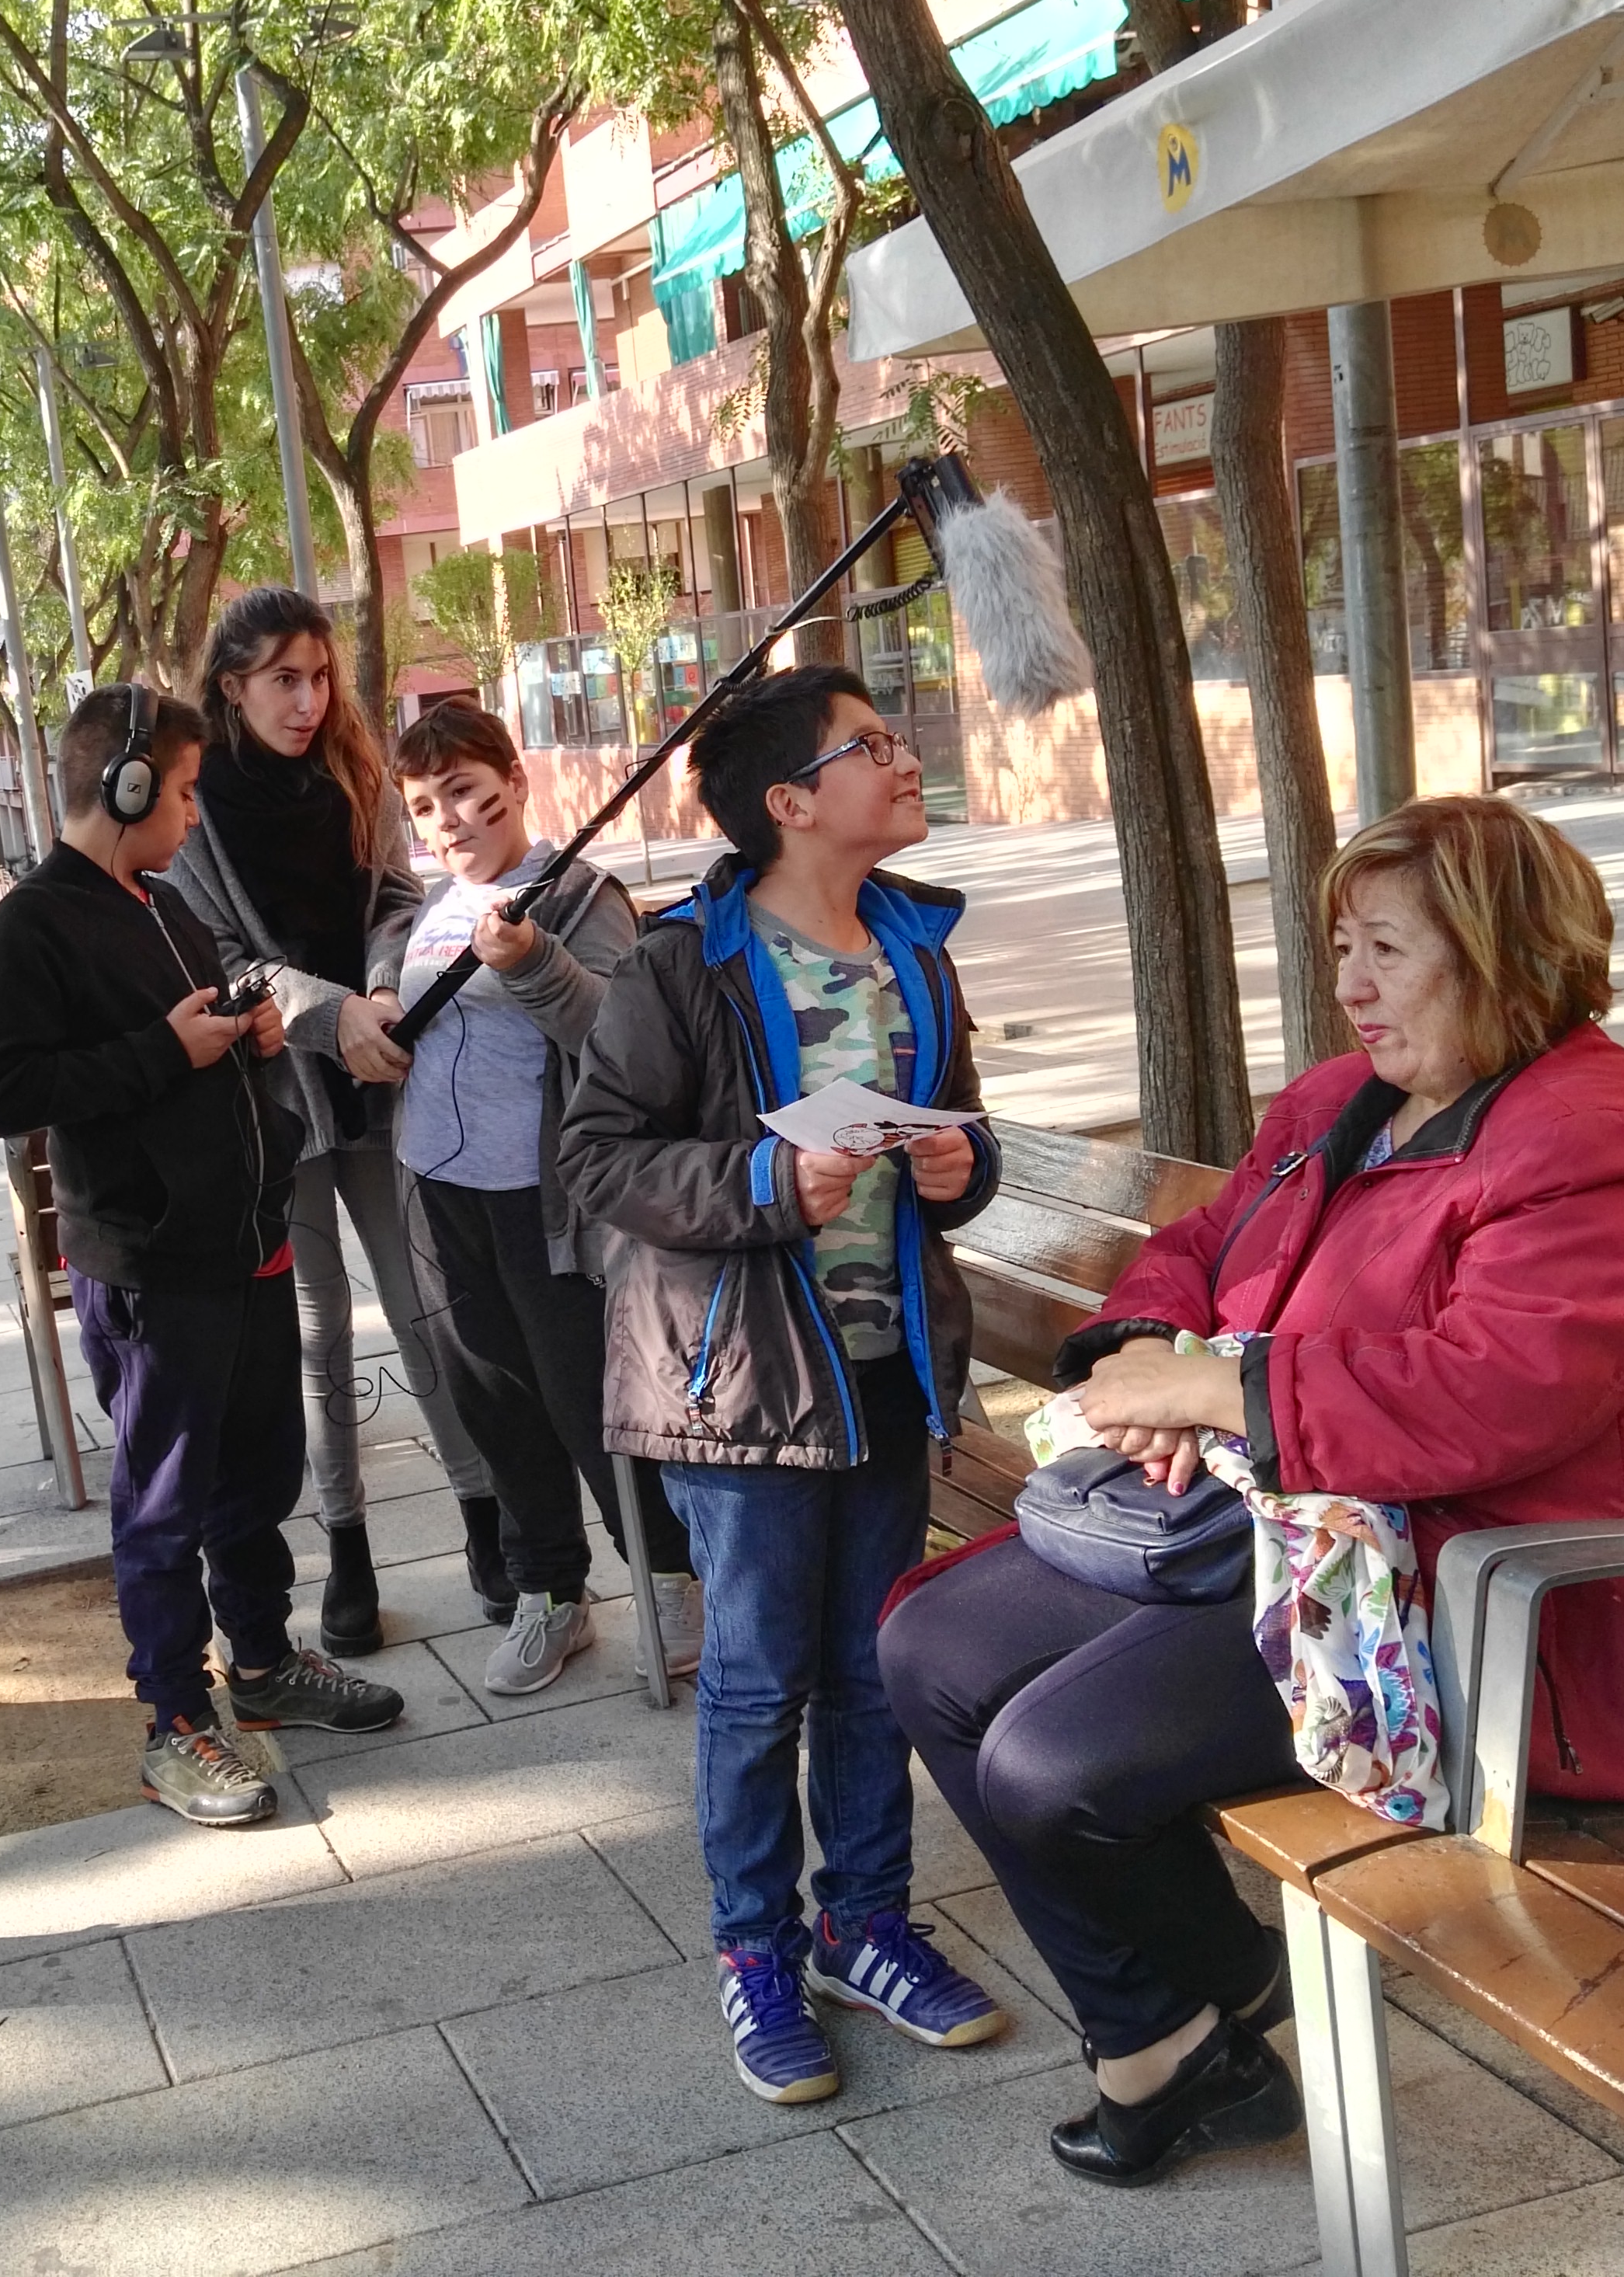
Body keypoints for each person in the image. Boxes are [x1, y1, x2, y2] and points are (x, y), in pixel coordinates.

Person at [879, 793, 1624, 2187]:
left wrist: (1219, 1393)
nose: (1348, 983)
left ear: (1501, 951)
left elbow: (1490, 1393)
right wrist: (1152, 1357)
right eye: (1342, 945)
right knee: (927, 1646)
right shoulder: (1344, 1103)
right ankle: (1174, 2033)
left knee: (1051, 1766)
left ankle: (1199, 2013)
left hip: (1471, 1602)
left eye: (1386, 950)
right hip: (1305, 1531)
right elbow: (1203, 1246)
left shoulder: (1593, 1144)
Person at [560, 662, 1010, 2112]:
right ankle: (754, 1948)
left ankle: (864, 1924)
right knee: (757, 1684)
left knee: (872, 1669)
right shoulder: (682, 963)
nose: (905, 756)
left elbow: (960, 1128)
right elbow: (598, 1159)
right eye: (870, 744)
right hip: (742, 1383)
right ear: (791, 803)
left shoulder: (912, 946)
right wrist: (762, 1180)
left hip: (887, 1366)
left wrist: (963, 1163)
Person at [0, 683, 405, 1830]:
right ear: (123, 788)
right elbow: (6, 1093)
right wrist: (164, 1051)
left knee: (256, 1479)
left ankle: (260, 1664)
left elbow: (195, 1047)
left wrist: (247, 1039)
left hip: (246, 1238)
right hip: (152, 1263)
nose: (193, 813)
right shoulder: (32, 923)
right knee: (163, 1502)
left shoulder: (164, 904)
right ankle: (173, 1717)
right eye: (180, 792)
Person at [162, 587, 497, 1654]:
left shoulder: (354, 769)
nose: (307, 701)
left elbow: (398, 897)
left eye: (318, 677)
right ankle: (347, 1545)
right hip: (277, 1097)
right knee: (318, 1331)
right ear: (232, 686)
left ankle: (483, 1516)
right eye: (282, 680)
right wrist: (328, 1014)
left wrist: (383, 991)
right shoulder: (196, 800)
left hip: (380, 1072)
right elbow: (215, 956)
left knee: (424, 1307)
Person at [368, 705, 699, 1695]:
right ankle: (548, 1591)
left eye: (465, 791)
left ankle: (668, 1579)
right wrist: (378, 995)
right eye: (425, 806)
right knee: (492, 1399)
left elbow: (618, 1037)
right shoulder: (431, 906)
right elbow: (391, 966)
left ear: (513, 782)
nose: (449, 820)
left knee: (585, 1398)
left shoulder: (580, 895)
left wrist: (530, 963)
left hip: (544, 1201)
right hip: (438, 1193)